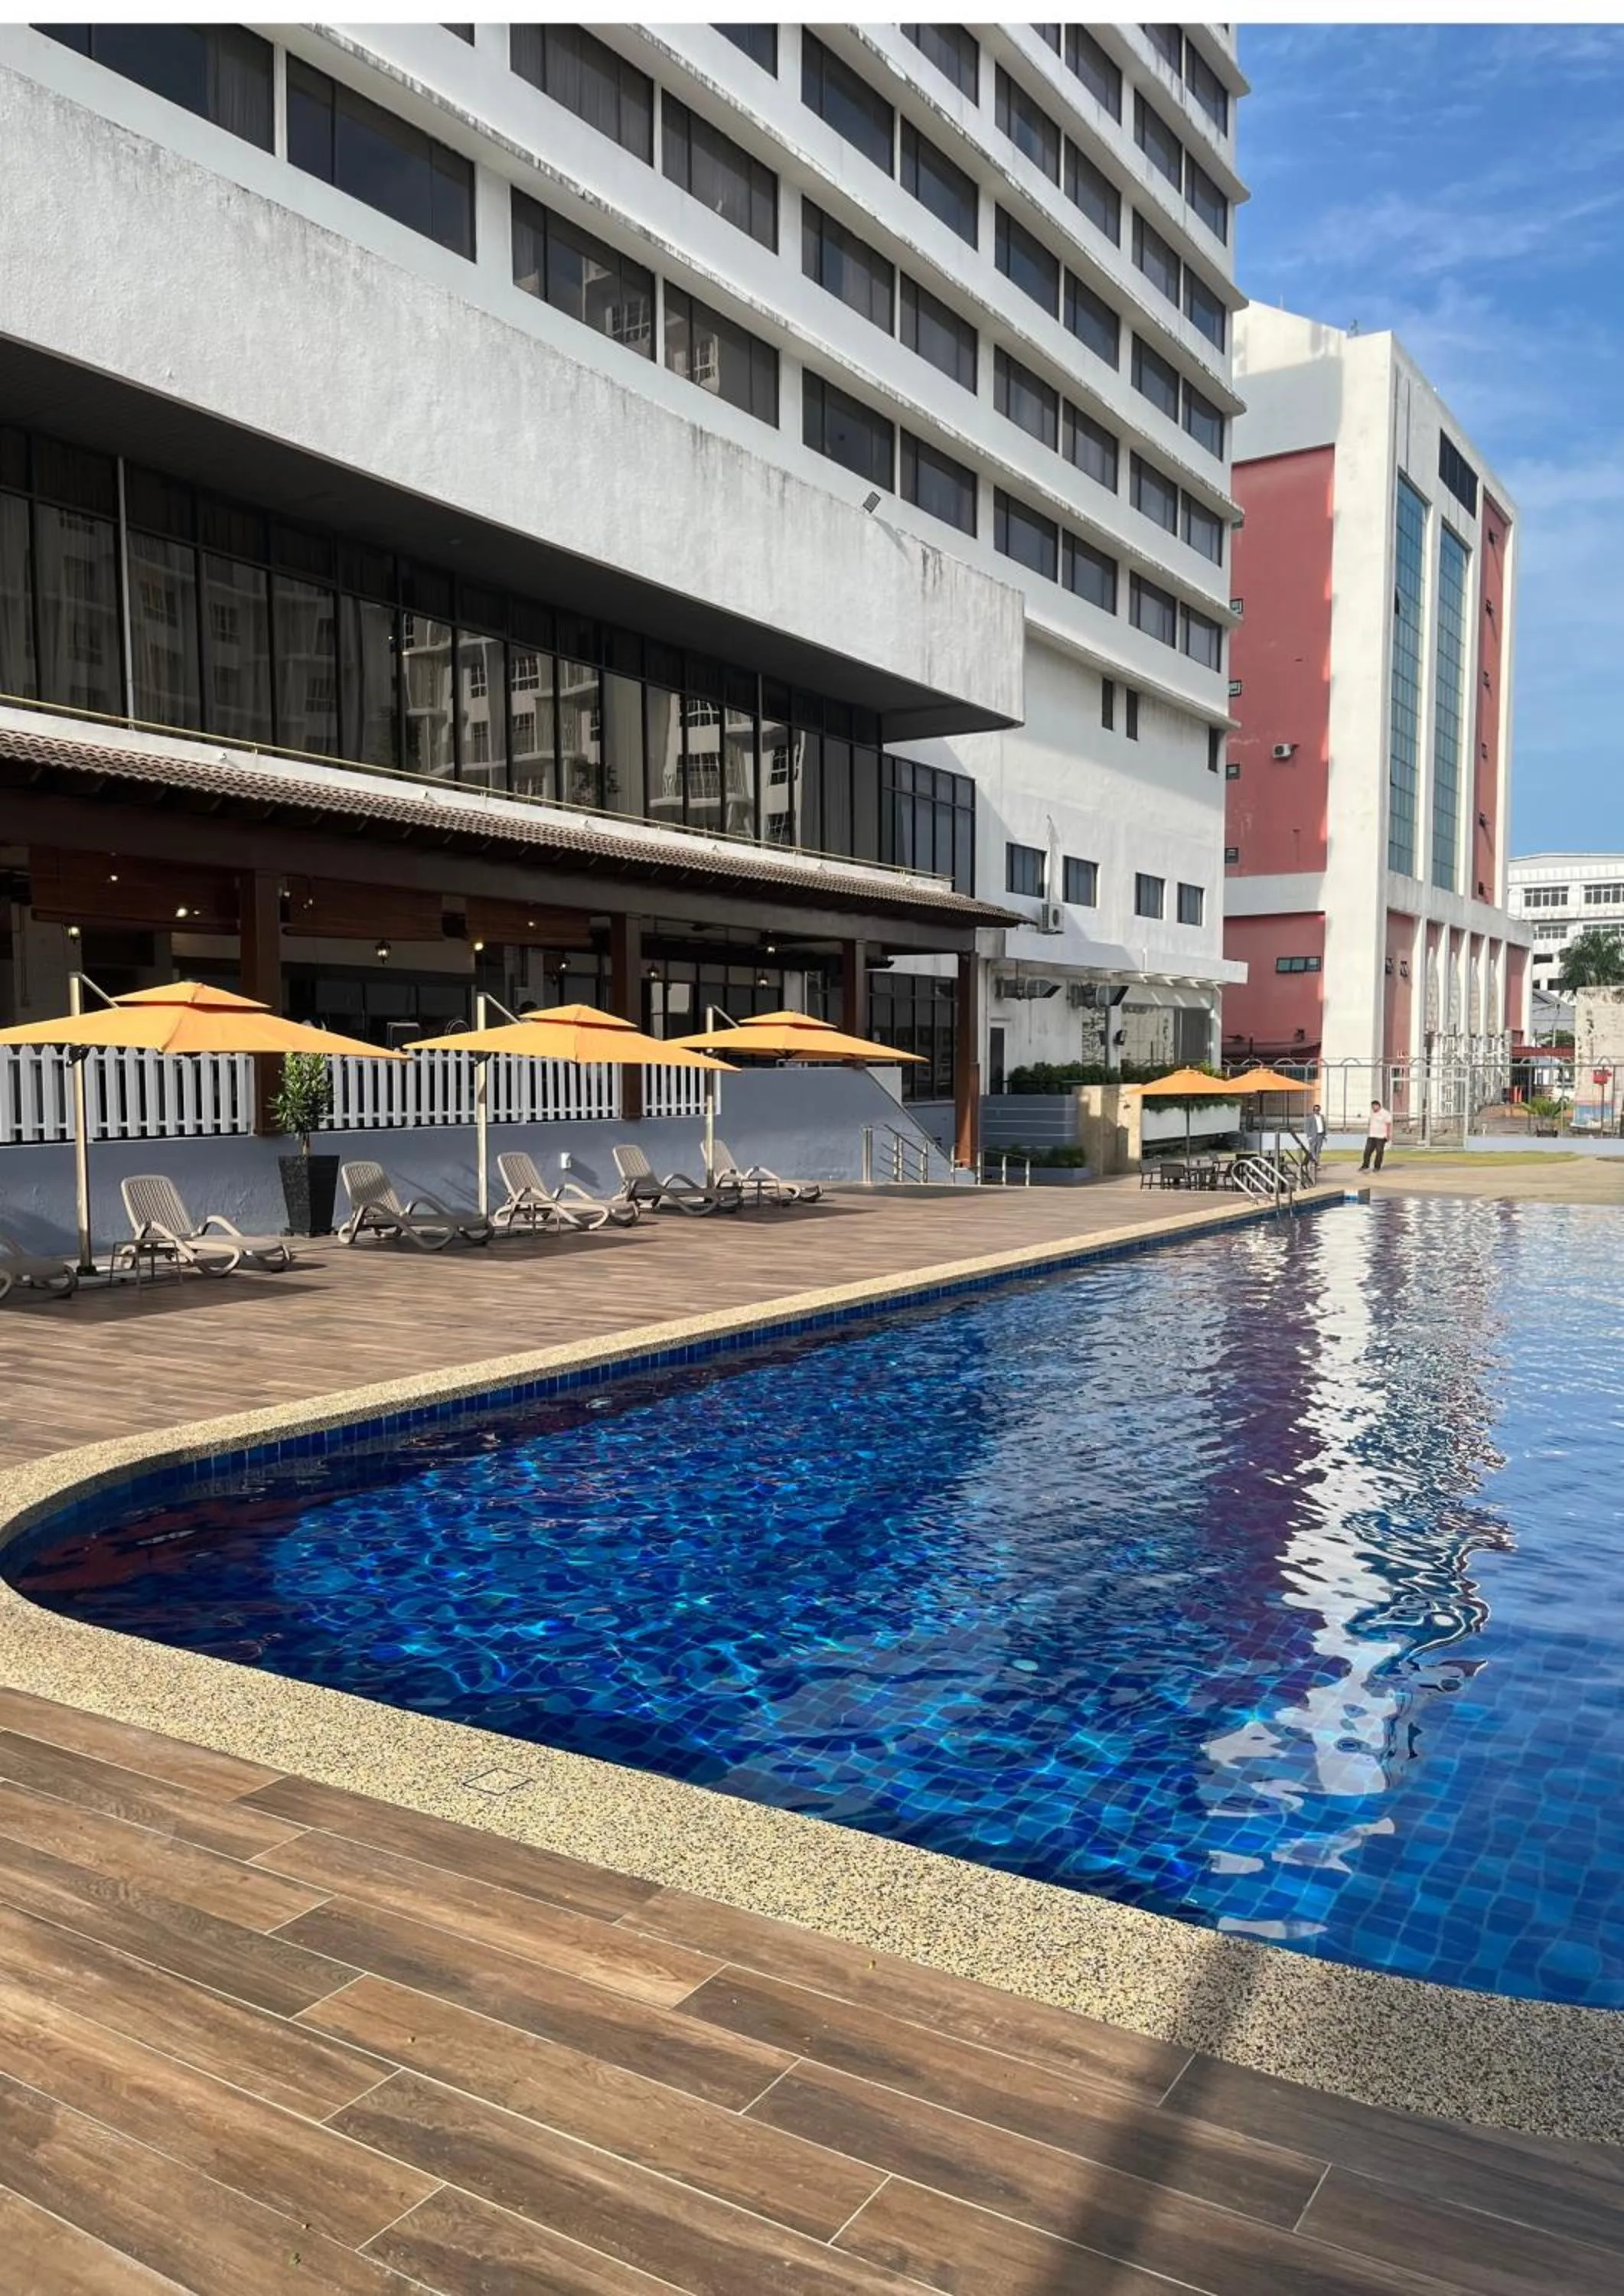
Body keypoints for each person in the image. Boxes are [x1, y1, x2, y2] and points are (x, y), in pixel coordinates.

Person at [1360, 1100, 1393, 1172]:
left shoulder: (1385, 1113)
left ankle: (1377, 1167)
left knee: (1379, 1152)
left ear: (1378, 1105)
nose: (1373, 1108)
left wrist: (1388, 1135)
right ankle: (1365, 1165)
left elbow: (1388, 1124)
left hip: (1381, 1136)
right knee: (1367, 1151)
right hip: (1372, 1135)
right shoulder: (1372, 1113)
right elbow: (1370, 1123)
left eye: (1374, 1107)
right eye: (1372, 1107)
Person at [1305, 1101, 1329, 1174]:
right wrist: (1309, 1136)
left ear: (1319, 1110)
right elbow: (1307, 1128)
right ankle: (1313, 1163)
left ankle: (1317, 1163)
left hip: (1320, 1136)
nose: (1316, 1111)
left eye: (1318, 1110)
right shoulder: (1310, 1118)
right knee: (1313, 1150)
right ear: (1313, 1110)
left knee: (1318, 1151)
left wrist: (1324, 1135)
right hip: (1313, 1136)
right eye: (1315, 1110)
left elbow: (1324, 1126)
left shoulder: (1322, 1117)